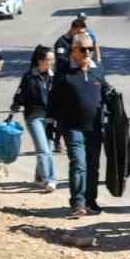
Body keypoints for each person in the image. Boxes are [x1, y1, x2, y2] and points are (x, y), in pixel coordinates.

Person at [51, 32, 109, 217]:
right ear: (73, 51)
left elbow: (105, 91)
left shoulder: (97, 70)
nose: (87, 53)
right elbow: (54, 100)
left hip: (95, 127)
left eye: (90, 49)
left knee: (93, 166)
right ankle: (77, 203)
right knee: (78, 163)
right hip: (72, 127)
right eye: (83, 49)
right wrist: (52, 124)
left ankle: (91, 201)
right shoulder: (64, 73)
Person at [10, 45, 57, 193]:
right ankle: (50, 179)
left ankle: (38, 176)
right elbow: (20, 95)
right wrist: (15, 105)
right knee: (44, 150)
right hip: (34, 116)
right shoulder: (29, 77)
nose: (52, 62)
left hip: (50, 117)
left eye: (52, 59)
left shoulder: (54, 76)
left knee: (48, 148)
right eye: (49, 59)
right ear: (40, 61)